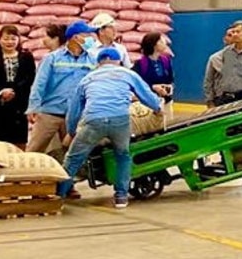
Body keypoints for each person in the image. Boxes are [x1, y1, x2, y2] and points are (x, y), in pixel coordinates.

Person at [59, 48, 163, 209]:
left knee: (73, 159)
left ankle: (59, 195)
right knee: (123, 156)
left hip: (94, 121)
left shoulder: (88, 78)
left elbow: (74, 111)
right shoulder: (127, 74)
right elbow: (147, 96)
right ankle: (121, 197)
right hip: (120, 121)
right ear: (119, 61)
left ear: (98, 63)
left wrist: (72, 131)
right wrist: (157, 108)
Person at [26, 21, 98, 162]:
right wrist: (33, 107)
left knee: (70, 155)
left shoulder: (92, 60)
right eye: (88, 35)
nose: (92, 38)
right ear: (76, 38)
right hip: (49, 113)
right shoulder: (52, 58)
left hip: (75, 116)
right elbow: (39, 84)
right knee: (34, 151)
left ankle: (66, 184)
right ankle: (27, 181)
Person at [0, 26, 37, 149]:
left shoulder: (26, 57)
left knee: (18, 141)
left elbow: (30, 78)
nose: (10, 42)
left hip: (19, 103)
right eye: (6, 39)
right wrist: (0, 91)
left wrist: (14, 91)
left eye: (13, 39)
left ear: (19, 40)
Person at [206, 21, 242, 106]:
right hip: (225, 97)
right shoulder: (226, 52)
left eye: (238, 31)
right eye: (233, 32)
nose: (235, 34)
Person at [133, 32, 175, 120]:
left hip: (165, 101)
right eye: (160, 41)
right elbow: (137, 84)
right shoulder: (140, 64)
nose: (164, 43)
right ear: (154, 45)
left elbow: (171, 79)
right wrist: (153, 87)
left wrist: (169, 88)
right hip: (148, 104)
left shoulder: (166, 60)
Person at [202, 30, 232, 107]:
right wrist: (210, 101)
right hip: (221, 99)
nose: (232, 37)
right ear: (224, 39)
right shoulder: (215, 58)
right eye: (229, 35)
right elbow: (208, 81)